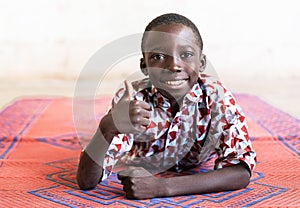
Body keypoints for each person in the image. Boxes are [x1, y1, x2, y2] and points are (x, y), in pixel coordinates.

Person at [76, 13, 256, 199]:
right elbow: (86, 181)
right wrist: (107, 126)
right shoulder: (132, 99)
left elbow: (241, 172)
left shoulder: (216, 96)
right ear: (144, 66)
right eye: (158, 56)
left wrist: (162, 187)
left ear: (201, 63)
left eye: (186, 54)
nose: (174, 66)